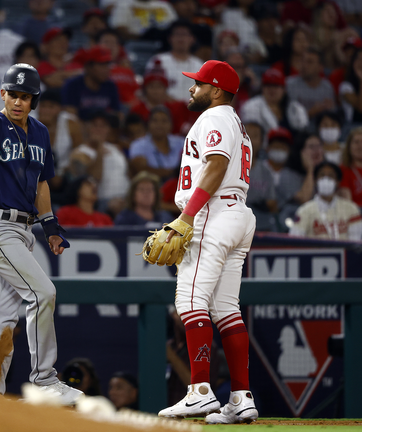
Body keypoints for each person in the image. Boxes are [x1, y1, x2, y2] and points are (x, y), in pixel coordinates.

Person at [0, 64, 84, 405]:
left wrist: (50, 225)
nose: (18, 102)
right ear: (2, 94)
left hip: (22, 229)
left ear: (34, 100)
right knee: (42, 293)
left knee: (2, 315)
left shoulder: (40, 132)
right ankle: (45, 380)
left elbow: (42, 181)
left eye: (25, 97)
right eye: (12, 95)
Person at [155, 61, 258, 424]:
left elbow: (215, 165)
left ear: (215, 90)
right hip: (238, 213)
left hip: (213, 213)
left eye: (198, 83)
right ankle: (241, 398)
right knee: (227, 309)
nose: (191, 88)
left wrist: (186, 216)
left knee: (189, 300)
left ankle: (200, 392)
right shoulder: (237, 124)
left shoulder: (214, 118)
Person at [69, 110, 131, 216]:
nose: (99, 129)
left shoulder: (115, 148)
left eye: (103, 126)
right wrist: (100, 148)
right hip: (100, 203)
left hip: (124, 200)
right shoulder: (79, 153)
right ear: (87, 127)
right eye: (95, 125)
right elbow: (95, 177)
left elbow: (128, 175)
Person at [288, 161, 361, 241]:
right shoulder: (304, 211)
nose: (326, 179)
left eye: (331, 176)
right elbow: (295, 239)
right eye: (322, 175)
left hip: (345, 252)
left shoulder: (351, 209)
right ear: (315, 181)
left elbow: (356, 242)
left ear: (337, 182)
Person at [144, 20, 204, 103]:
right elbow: (151, 90)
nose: (181, 38)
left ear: (192, 39)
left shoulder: (200, 65)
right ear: (170, 38)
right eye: (177, 34)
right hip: (165, 109)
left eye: (184, 35)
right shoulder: (159, 61)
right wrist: (177, 107)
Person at [239, 68, 309, 139]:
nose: (272, 90)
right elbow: (251, 135)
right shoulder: (251, 106)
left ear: (284, 89)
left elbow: (303, 129)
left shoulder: (295, 107)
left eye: (276, 86)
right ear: (262, 88)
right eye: (268, 85)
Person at [61, 46, 122, 122]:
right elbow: (70, 117)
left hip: (104, 129)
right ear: (88, 67)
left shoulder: (110, 86)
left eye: (107, 65)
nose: (107, 70)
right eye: (102, 65)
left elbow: (117, 115)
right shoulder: (72, 85)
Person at [128, 106, 185, 182]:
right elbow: (141, 171)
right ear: (148, 124)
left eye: (164, 121)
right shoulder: (138, 145)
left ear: (171, 124)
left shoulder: (181, 142)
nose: (159, 125)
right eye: (155, 120)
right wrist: (175, 172)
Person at [285, 48, 337, 121]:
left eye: (310, 62)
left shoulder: (327, 88)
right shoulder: (290, 84)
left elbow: (332, 117)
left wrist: (329, 109)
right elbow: (291, 118)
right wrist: (312, 112)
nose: (304, 65)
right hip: (296, 130)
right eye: (303, 61)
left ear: (320, 67)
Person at [37, 27, 81, 91]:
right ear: (47, 45)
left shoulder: (75, 64)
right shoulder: (41, 65)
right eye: (58, 40)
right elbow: (51, 81)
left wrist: (60, 75)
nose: (63, 43)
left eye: (66, 40)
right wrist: (73, 74)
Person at [109, 0, 177, 41]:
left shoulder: (164, 5)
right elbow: (119, 27)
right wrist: (141, 39)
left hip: (165, 42)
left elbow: (176, 26)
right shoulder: (124, 4)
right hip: (138, 42)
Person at [338, 127, 361, 208]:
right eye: (356, 142)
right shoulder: (343, 169)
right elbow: (347, 202)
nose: (360, 146)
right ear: (349, 146)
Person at [337, 47, 361, 126]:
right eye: (359, 59)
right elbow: (360, 107)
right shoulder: (345, 86)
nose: (362, 62)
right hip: (353, 128)